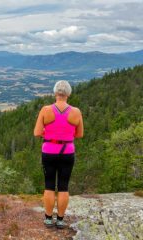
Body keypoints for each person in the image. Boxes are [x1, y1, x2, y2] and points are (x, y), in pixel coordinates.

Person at [33, 80, 84, 229]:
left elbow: (37, 132)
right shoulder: (76, 112)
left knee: (49, 185)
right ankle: (60, 220)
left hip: (49, 151)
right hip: (67, 152)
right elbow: (79, 134)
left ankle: (48, 218)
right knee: (63, 186)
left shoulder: (46, 110)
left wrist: (48, 133)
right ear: (68, 94)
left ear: (55, 93)